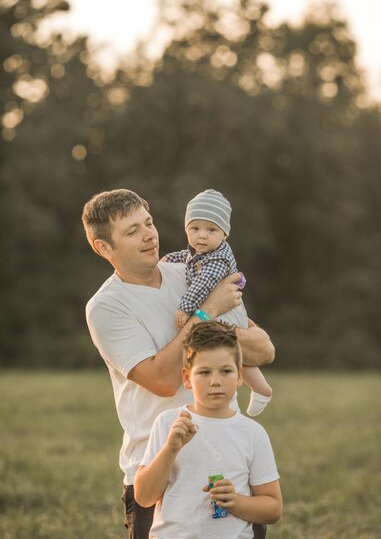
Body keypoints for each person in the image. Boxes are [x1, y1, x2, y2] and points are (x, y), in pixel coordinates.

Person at [81, 189, 276, 539]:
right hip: (159, 472)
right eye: (131, 231)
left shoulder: (188, 270)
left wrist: (212, 315)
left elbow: (263, 351)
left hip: (229, 463)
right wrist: (207, 313)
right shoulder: (106, 307)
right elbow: (163, 379)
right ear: (103, 248)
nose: (149, 235)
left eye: (149, 222)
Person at [134, 321, 282, 539]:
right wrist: (171, 449)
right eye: (204, 372)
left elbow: (273, 509)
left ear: (240, 376)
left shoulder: (252, 433)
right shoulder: (168, 423)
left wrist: (237, 502)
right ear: (186, 378)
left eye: (225, 371)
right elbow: (144, 497)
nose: (215, 381)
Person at [164, 189, 272, 417]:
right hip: (220, 305)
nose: (201, 236)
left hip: (227, 308)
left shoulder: (218, 259)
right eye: (195, 229)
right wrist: (165, 260)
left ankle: (261, 388)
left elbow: (203, 283)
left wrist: (184, 307)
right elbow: (185, 258)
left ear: (224, 234)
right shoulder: (199, 250)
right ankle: (261, 388)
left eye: (211, 230)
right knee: (228, 348)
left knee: (229, 347)